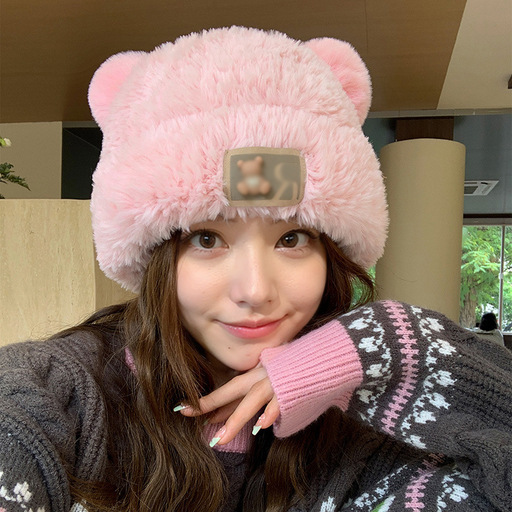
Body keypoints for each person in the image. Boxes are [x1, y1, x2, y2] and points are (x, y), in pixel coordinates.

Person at [1, 27, 511, 512]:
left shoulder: (363, 439)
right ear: (154, 260)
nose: (255, 290)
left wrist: (396, 349)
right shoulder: (65, 395)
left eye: (292, 238)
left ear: (332, 254)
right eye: (207, 238)